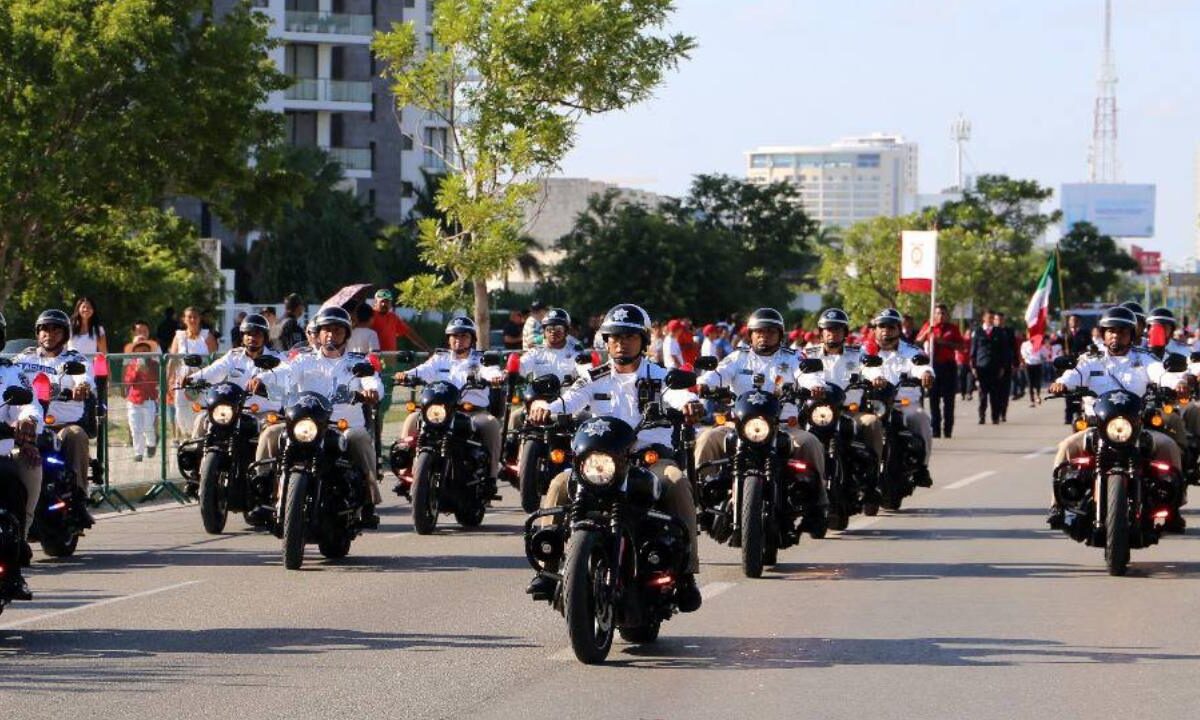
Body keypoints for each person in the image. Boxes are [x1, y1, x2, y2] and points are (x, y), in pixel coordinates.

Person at [525, 303, 704, 612]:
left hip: (648, 461)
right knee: (558, 484)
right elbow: (568, 400)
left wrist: (689, 402)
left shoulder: (660, 377)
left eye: (630, 337)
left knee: (676, 482)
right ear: (605, 341)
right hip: (601, 462)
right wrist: (546, 408)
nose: (621, 343)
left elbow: (679, 394)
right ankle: (547, 569)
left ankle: (687, 574)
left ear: (644, 341)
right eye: (614, 337)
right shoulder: (592, 377)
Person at [1047, 306, 1184, 530]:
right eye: (1110, 331)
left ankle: (1174, 507)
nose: (1115, 336)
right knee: (1065, 448)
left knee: (1169, 447)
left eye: (1121, 331)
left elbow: (1161, 374)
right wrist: (1062, 383)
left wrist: (1176, 383)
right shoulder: (1090, 359)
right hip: (1097, 427)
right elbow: (1074, 374)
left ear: (1132, 334)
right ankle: (1057, 506)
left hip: (1135, 427)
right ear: (1103, 333)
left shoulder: (1144, 358)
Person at [251, 306, 383, 528]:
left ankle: (369, 502)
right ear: (318, 334)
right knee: (271, 433)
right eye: (326, 330)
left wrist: (372, 391)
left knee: (359, 437)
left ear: (346, 334)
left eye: (337, 330)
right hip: (306, 424)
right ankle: (261, 491)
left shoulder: (356, 363)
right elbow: (284, 372)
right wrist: (263, 379)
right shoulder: (304, 360)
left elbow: (372, 380)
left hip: (343, 427)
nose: (331, 335)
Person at [697, 307, 829, 521]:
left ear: (780, 335)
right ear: (751, 334)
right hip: (740, 426)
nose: (764, 336)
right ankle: (702, 499)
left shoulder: (793, 357)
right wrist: (703, 384)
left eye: (770, 332)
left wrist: (815, 386)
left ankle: (817, 505)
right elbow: (717, 374)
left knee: (811, 443)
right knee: (705, 439)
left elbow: (808, 375)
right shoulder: (737, 357)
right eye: (759, 332)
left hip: (783, 426)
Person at [394, 316, 504, 485]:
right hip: (439, 411)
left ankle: (491, 477)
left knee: (491, 424)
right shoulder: (439, 359)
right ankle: (406, 472)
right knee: (411, 420)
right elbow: (422, 370)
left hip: (471, 412)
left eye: (463, 336)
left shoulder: (480, 359)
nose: (458, 340)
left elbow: (490, 371)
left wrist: (496, 377)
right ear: (449, 339)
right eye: (454, 336)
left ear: (472, 339)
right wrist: (405, 375)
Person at [13, 310, 95, 517]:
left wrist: (82, 387)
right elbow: (8, 373)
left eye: (55, 329)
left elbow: (86, 378)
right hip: (29, 423)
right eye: (44, 329)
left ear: (65, 333)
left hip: (62, 425)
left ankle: (78, 498)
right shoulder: (24, 357)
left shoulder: (75, 359)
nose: (49, 334)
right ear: (37, 333)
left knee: (75, 436)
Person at [860, 308, 935, 487]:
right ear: (875, 329)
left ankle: (922, 467)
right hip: (873, 404)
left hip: (903, 403)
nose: (886, 330)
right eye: (882, 326)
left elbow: (922, 365)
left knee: (921, 418)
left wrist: (926, 374)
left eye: (891, 327)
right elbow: (859, 367)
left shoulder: (910, 350)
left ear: (899, 329)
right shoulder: (863, 350)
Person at [505, 308, 591, 437]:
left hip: (567, 405)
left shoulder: (575, 350)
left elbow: (585, 371)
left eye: (558, 329)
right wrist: (507, 374)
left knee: (585, 418)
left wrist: (585, 374)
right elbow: (521, 366)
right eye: (549, 328)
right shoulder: (536, 352)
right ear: (544, 331)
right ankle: (510, 455)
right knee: (515, 417)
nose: (553, 332)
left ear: (566, 331)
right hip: (538, 402)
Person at [167, 307, 219, 437]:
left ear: (199, 319)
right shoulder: (179, 336)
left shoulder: (207, 336)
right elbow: (172, 360)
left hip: (202, 378)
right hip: (183, 379)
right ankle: (186, 438)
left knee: (201, 409)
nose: (192, 320)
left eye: (195, 317)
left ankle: (200, 436)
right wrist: (167, 380)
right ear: (184, 319)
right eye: (189, 317)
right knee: (182, 410)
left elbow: (215, 361)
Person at [916, 303, 964, 439]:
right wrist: (927, 333)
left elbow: (961, 347)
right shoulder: (929, 326)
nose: (941, 316)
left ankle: (948, 429)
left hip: (948, 367)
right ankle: (935, 429)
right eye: (938, 313)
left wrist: (943, 342)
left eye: (943, 313)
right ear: (934, 315)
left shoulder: (953, 329)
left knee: (949, 401)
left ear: (947, 315)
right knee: (933, 400)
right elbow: (917, 342)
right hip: (933, 366)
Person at [122, 342, 159, 462]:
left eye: (145, 350)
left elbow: (156, 381)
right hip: (134, 400)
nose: (142, 353)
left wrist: (146, 371)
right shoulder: (132, 365)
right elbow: (127, 381)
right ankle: (138, 452)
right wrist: (136, 371)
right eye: (139, 351)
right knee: (135, 427)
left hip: (149, 399)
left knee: (148, 426)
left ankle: (151, 444)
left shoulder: (154, 364)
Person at [970, 310, 1007, 425]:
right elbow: (973, 350)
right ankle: (982, 416)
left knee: (995, 395)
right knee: (982, 395)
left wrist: (1002, 367)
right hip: (981, 367)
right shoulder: (978, 331)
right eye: (989, 317)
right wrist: (973, 366)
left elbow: (1003, 351)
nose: (990, 320)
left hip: (995, 367)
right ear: (984, 318)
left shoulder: (999, 332)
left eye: (992, 318)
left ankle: (995, 417)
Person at [1019, 331, 1049, 407]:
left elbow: (1045, 354)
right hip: (1028, 365)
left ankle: (1038, 395)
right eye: (1029, 334)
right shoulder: (1025, 344)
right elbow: (1023, 354)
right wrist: (1025, 360)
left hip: (1037, 364)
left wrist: (1046, 348)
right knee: (1030, 383)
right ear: (1027, 336)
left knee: (1038, 382)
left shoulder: (1039, 343)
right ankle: (1032, 400)